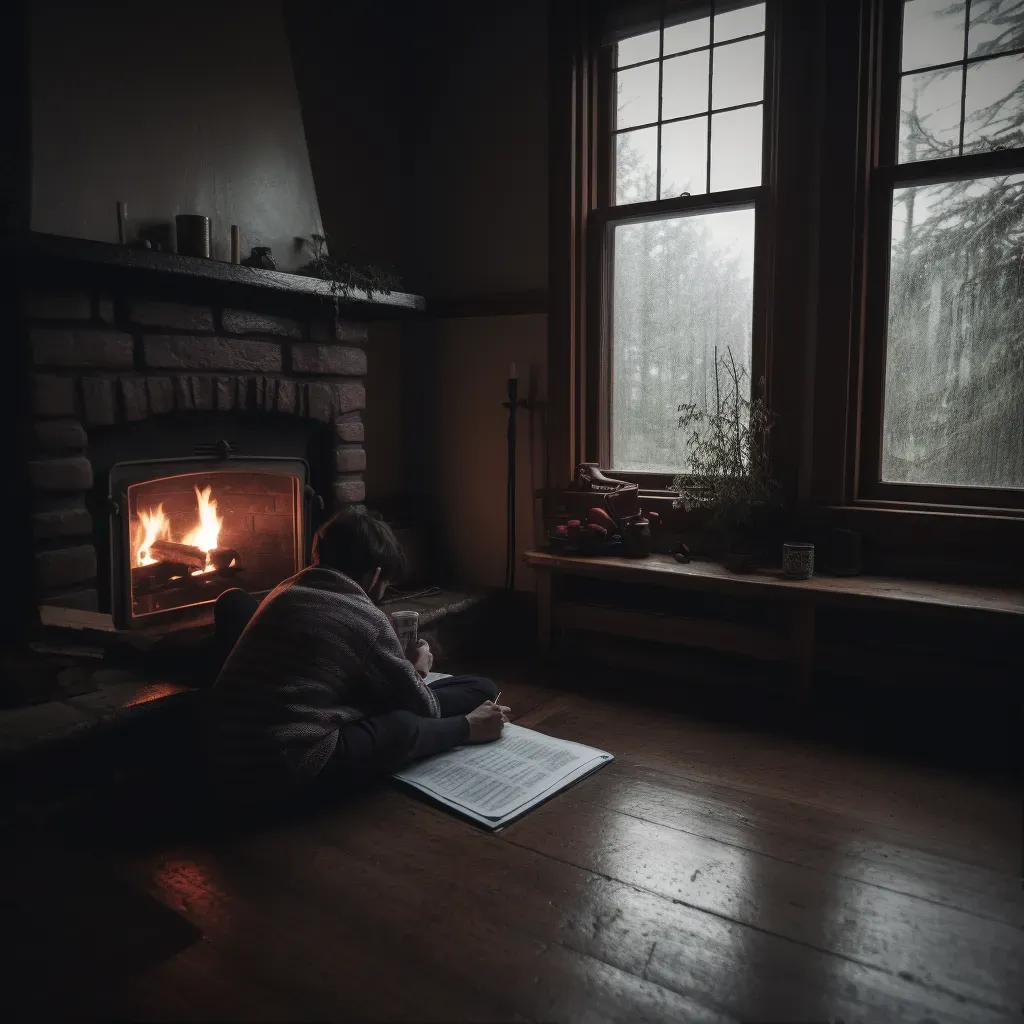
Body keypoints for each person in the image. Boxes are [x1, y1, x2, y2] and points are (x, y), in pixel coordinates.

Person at [203, 506, 509, 806]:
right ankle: (471, 728)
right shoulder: (365, 618)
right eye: (386, 584)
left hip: (219, 756)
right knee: (469, 694)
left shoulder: (285, 589)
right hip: (283, 768)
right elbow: (424, 710)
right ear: (375, 576)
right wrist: (416, 669)